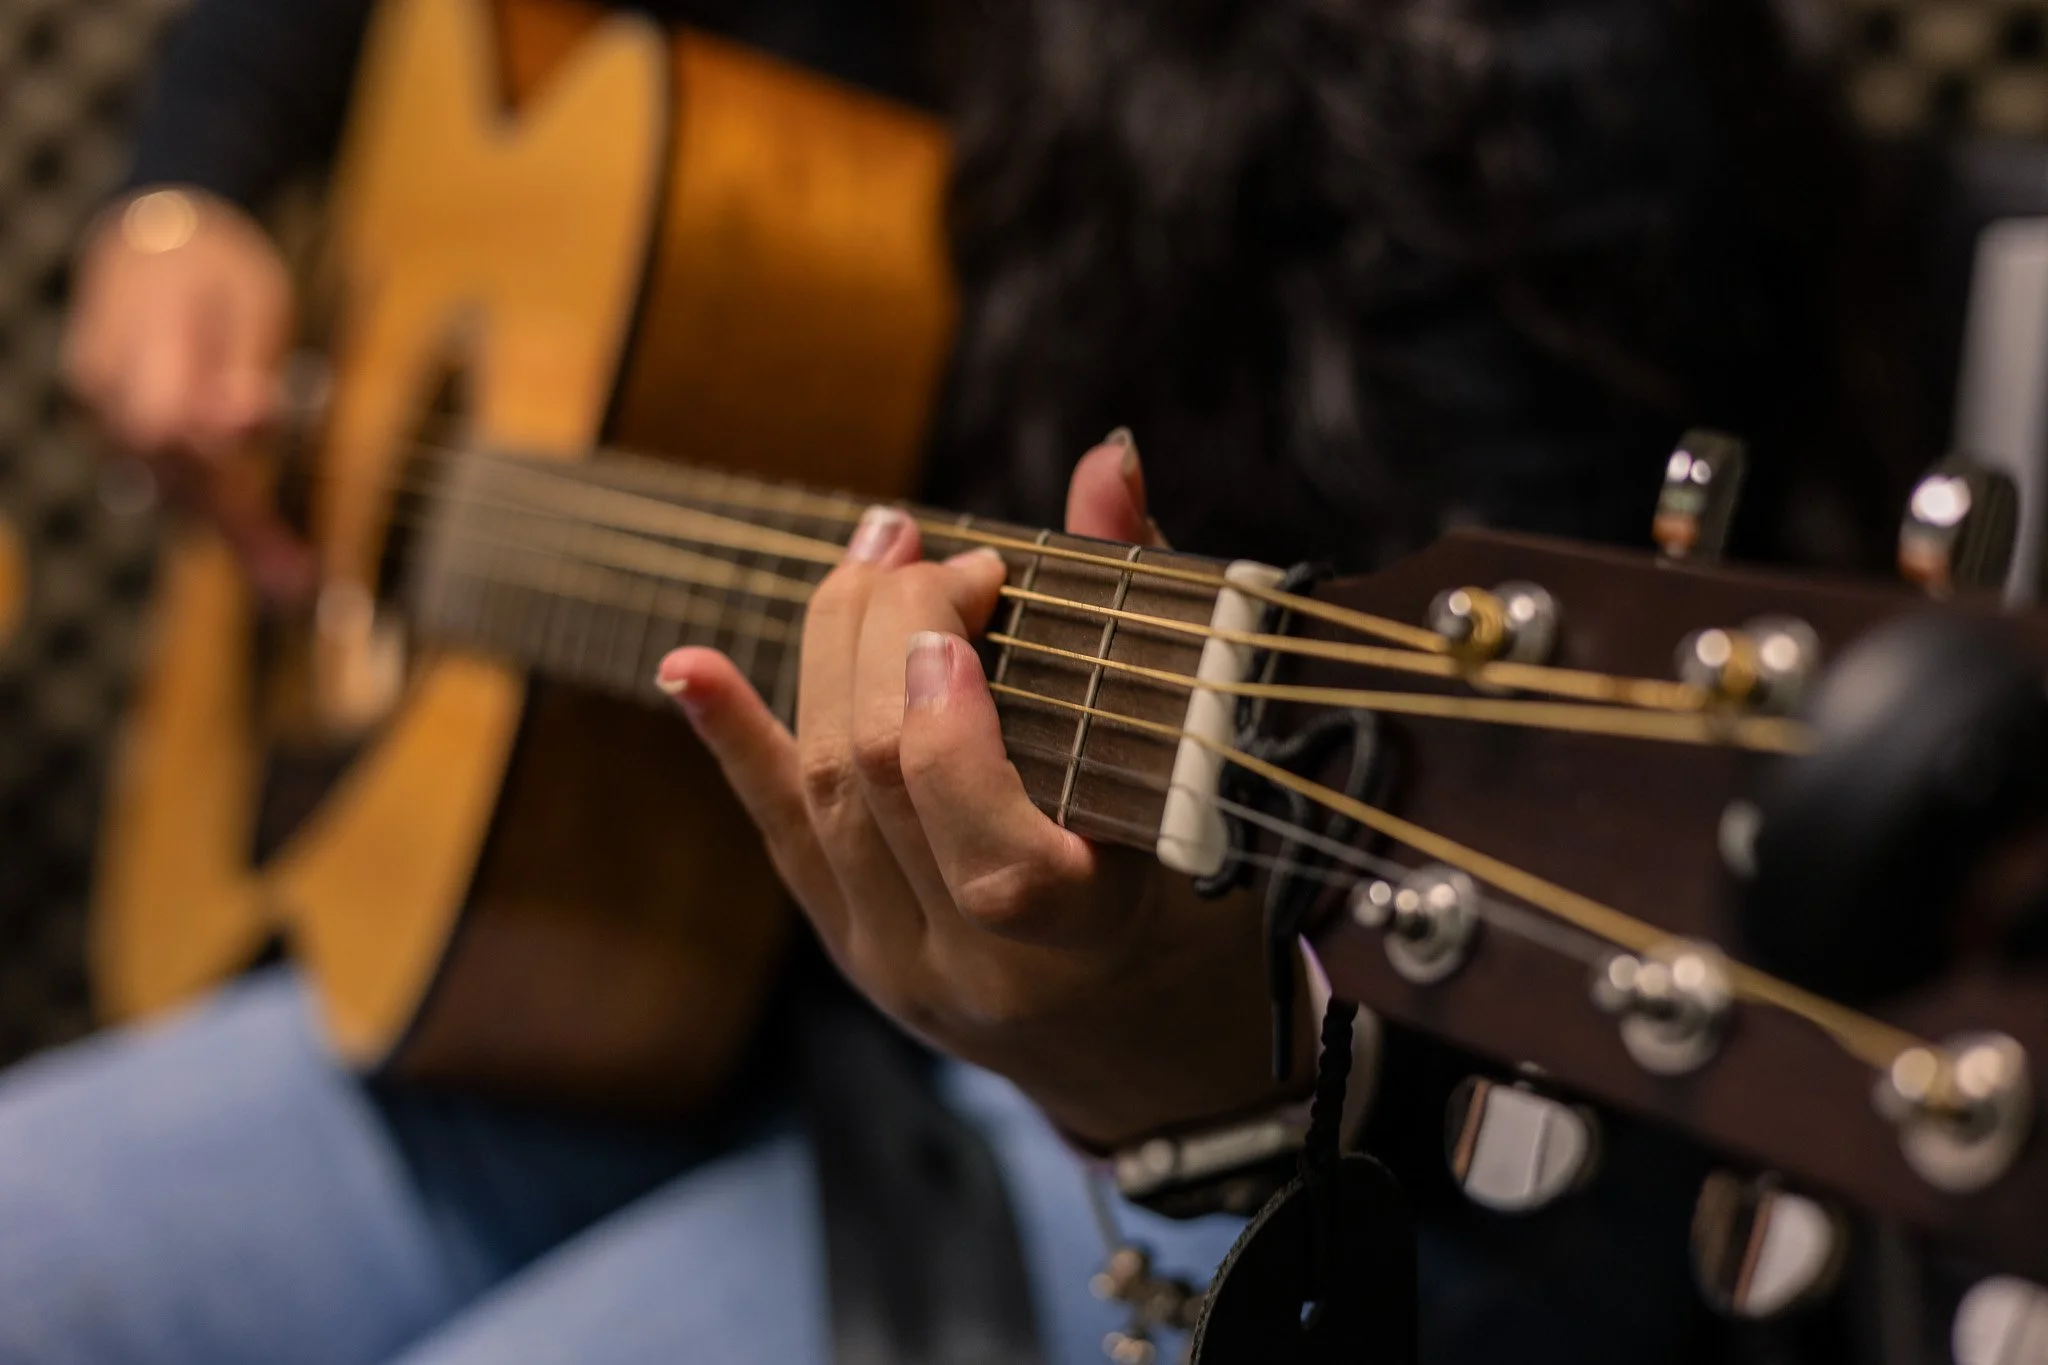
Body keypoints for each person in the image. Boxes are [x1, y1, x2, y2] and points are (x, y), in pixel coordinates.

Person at [14, 0, 1933, 1362]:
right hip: (634, 942)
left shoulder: (1518, 94)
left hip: (1237, 1117)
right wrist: (188, 203)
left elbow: (1488, 922)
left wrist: (1176, 1071)